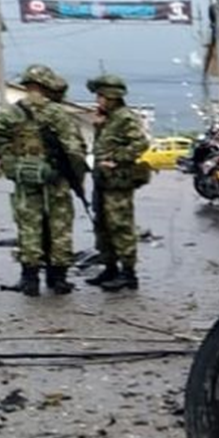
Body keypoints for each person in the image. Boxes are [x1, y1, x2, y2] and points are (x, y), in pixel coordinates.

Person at [0, 64, 88, 296]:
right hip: (56, 178)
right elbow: (75, 150)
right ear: (47, 86)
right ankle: (58, 280)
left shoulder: (12, 112)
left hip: (25, 178)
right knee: (59, 226)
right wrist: (76, 178)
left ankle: (30, 280)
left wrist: (8, 156)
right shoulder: (58, 113)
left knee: (29, 226)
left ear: (28, 86)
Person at [85, 74, 152, 292]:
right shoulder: (108, 119)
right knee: (102, 226)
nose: (98, 100)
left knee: (120, 226)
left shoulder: (124, 117)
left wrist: (117, 158)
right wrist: (98, 127)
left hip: (118, 183)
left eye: (101, 96)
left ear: (112, 96)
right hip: (103, 181)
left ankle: (128, 274)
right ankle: (110, 268)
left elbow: (141, 143)